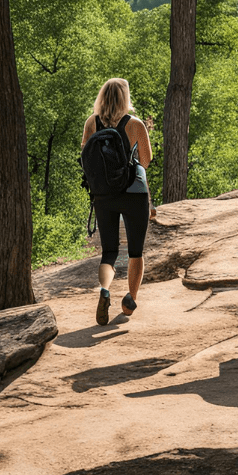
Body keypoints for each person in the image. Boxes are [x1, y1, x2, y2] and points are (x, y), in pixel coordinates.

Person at [81, 78, 154, 326]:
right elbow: (145, 160)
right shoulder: (135, 124)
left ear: (102, 97)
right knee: (135, 252)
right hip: (133, 193)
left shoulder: (92, 123)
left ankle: (104, 291)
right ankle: (130, 300)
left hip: (103, 196)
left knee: (109, 251)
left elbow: (85, 158)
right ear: (125, 98)